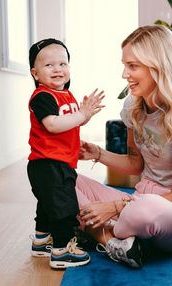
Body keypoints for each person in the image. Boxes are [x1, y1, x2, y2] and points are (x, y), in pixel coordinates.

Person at [76, 24, 172, 268]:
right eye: (125, 64)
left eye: (133, 66)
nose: (124, 74)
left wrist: (115, 207)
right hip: (138, 202)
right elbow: (136, 164)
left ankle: (100, 229)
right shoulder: (133, 105)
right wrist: (97, 153)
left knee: (145, 210)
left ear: (159, 67)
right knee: (62, 179)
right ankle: (114, 241)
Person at [27, 38, 105, 269]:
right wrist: (82, 114)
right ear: (36, 73)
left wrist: (84, 118)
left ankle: (42, 241)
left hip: (56, 162)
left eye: (62, 63)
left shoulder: (67, 96)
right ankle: (62, 250)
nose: (58, 69)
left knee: (47, 204)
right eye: (49, 65)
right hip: (48, 164)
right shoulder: (43, 97)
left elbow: (68, 126)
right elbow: (52, 125)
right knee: (64, 207)